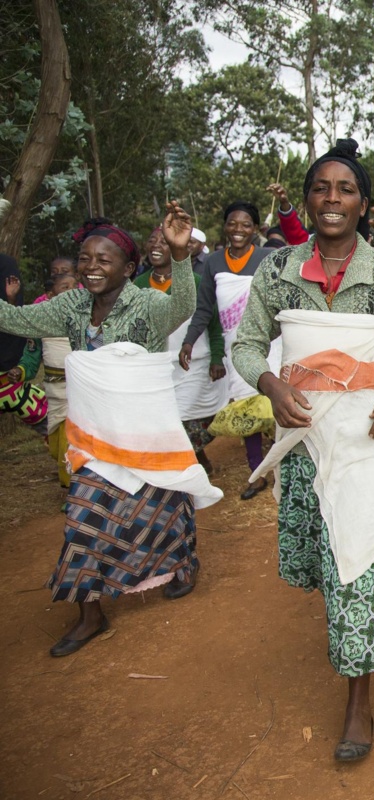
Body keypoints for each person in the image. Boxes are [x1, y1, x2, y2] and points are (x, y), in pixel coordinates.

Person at [231, 139, 374, 763]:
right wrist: (272, 383)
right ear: (306, 201)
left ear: (363, 204)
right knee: (331, 556)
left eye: (346, 190)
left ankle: (359, 701)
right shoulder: (276, 271)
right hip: (306, 438)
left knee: (360, 556)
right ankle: (350, 644)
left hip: (370, 437)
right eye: (321, 189)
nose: (332, 199)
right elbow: (247, 347)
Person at [0, 207, 222, 657]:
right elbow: (17, 320)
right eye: (85, 259)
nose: (92, 267)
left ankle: (181, 564)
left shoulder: (146, 303)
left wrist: (180, 257)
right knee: (83, 514)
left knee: (164, 499)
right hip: (95, 432)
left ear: (128, 267)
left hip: (144, 427)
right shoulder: (70, 305)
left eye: (104, 260)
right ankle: (90, 613)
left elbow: (183, 306)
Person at [182, 200, 274, 499]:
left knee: (280, 406)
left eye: (245, 224)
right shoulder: (213, 263)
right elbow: (205, 309)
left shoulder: (268, 257)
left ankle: (287, 468)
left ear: (256, 229)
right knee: (248, 407)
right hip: (239, 347)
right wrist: (189, 340)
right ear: (224, 226)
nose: (238, 230)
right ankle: (257, 473)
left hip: (273, 341)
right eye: (232, 223)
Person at [134, 227, 227, 473]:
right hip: (158, 369)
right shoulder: (138, 285)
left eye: (163, 242)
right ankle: (192, 463)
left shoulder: (195, 282)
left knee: (194, 416)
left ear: (177, 248)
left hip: (195, 365)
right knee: (168, 421)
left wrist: (217, 357)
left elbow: (214, 324)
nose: (155, 245)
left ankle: (189, 460)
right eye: (151, 240)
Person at [39, 273, 79, 487]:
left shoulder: (88, 317)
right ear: (50, 295)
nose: (72, 290)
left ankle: (72, 489)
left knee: (67, 441)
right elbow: (32, 353)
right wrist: (22, 370)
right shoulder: (43, 319)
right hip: (54, 391)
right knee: (55, 446)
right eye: (65, 287)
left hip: (77, 390)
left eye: (75, 286)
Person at [0, 254, 47, 428]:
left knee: (50, 421)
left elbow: (13, 316)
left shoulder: (5, 265)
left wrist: (10, 300)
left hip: (10, 376)